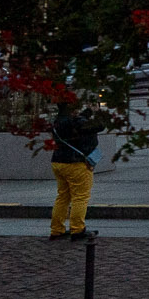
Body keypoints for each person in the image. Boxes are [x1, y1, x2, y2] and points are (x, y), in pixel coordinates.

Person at [49, 100, 100, 239]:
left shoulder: (58, 121)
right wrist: (98, 113)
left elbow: (79, 121)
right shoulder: (74, 122)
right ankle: (77, 229)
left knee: (63, 196)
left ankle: (56, 229)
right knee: (80, 197)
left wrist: (89, 111)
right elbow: (97, 126)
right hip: (76, 163)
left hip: (58, 162)